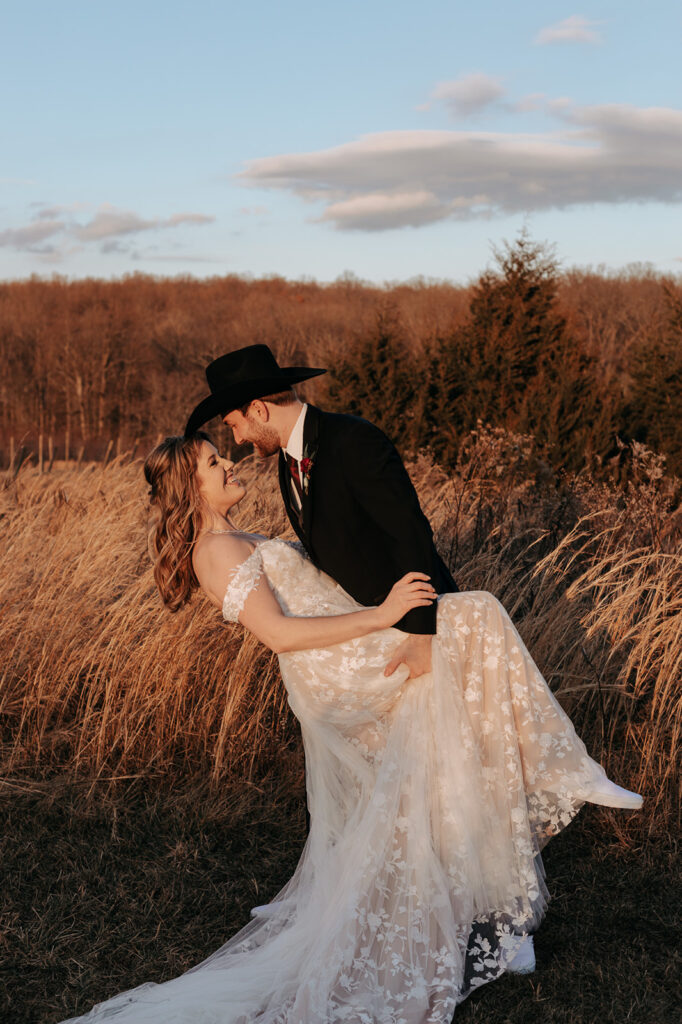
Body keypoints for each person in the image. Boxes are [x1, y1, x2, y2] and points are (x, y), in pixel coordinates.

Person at [58, 426, 642, 1024]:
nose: (230, 463)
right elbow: (281, 634)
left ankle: (499, 923)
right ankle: (566, 769)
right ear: (191, 484)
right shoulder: (214, 551)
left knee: (444, 765)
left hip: (349, 651)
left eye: (223, 453)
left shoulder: (234, 537)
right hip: (337, 668)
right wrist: (384, 614)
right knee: (479, 615)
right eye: (214, 462)